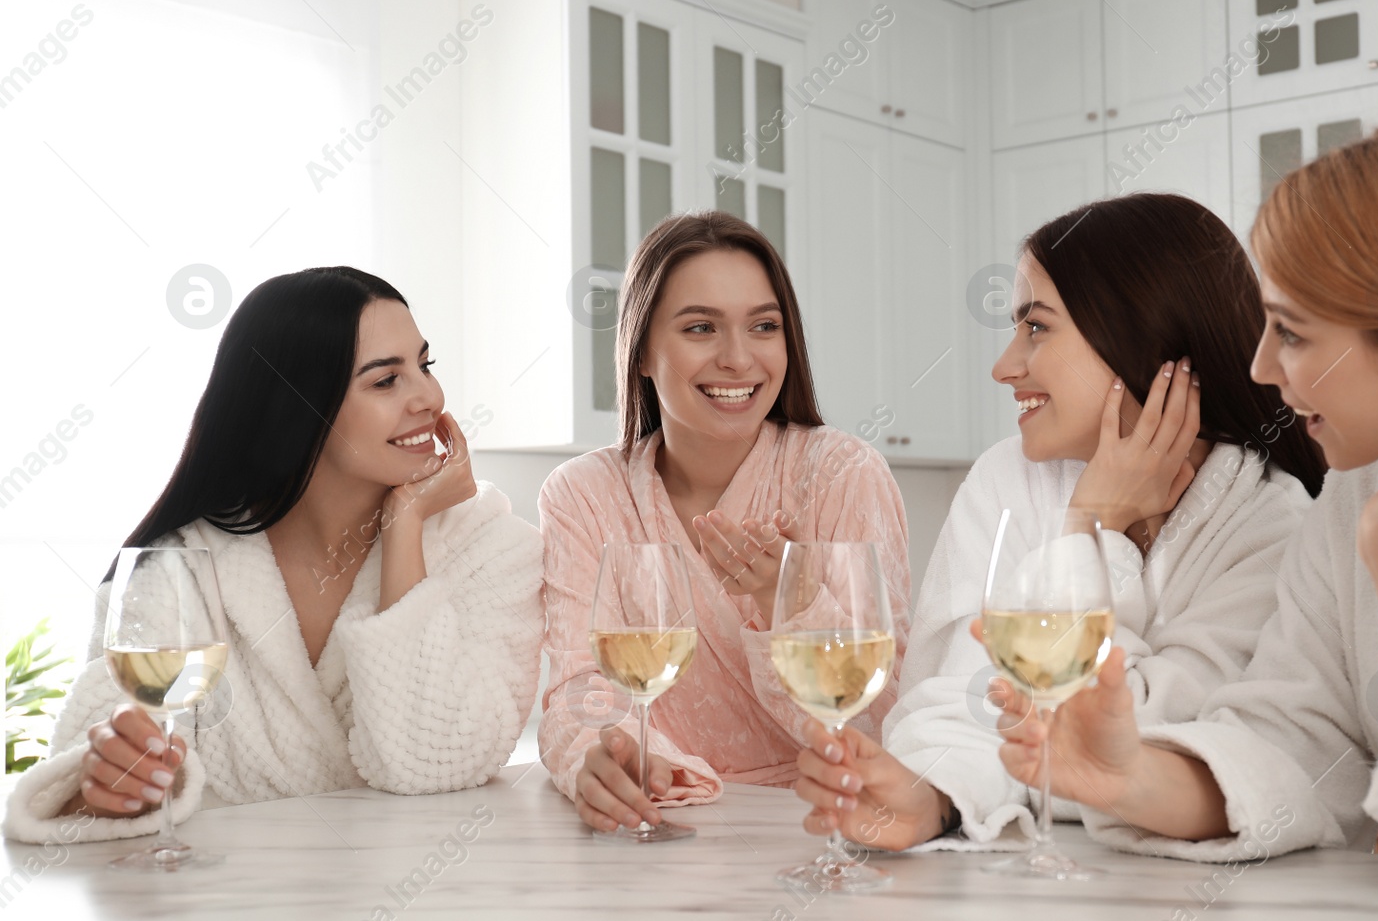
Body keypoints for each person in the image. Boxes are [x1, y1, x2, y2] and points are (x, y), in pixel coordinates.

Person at [992, 117, 1378, 910]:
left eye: (1293, 332)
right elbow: (1295, 741)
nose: (1259, 367)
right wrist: (1132, 776)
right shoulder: (1361, 484)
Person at [792, 194, 1324, 851]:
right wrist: (931, 797)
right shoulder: (1006, 480)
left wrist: (1090, 530)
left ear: (1145, 335)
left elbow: (1146, 739)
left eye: (1036, 327)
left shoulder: (1269, 524)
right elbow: (960, 700)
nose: (1004, 366)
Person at [4, 267, 543, 845]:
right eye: (386, 381)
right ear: (297, 406)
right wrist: (115, 785)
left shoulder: (489, 547)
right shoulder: (179, 566)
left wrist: (405, 525)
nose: (430, 399)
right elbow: (97, 765)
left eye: (425, 365)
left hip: (422, 907)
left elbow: (439, 762)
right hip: (218, 916)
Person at [538, 212, 911, 834]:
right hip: (663, 822)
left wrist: (783, 598)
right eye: (701, 327)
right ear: (643, 351)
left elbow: (883, 719)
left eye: (763, 326)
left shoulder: (844, 473)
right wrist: (598, 756)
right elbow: (577, 687)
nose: (738, 359)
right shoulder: (583, 494)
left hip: (821, 824)